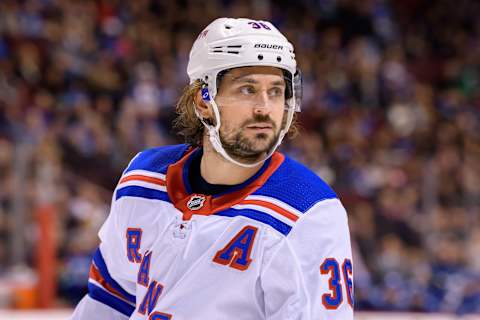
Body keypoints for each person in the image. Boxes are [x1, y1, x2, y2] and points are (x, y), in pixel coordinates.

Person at [71, 17, 354, 320]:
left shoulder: (307, 211)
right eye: (247, 89)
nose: (264, 107)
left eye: (275, 91)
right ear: (203, 101)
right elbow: (110, 301)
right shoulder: (143, 179)